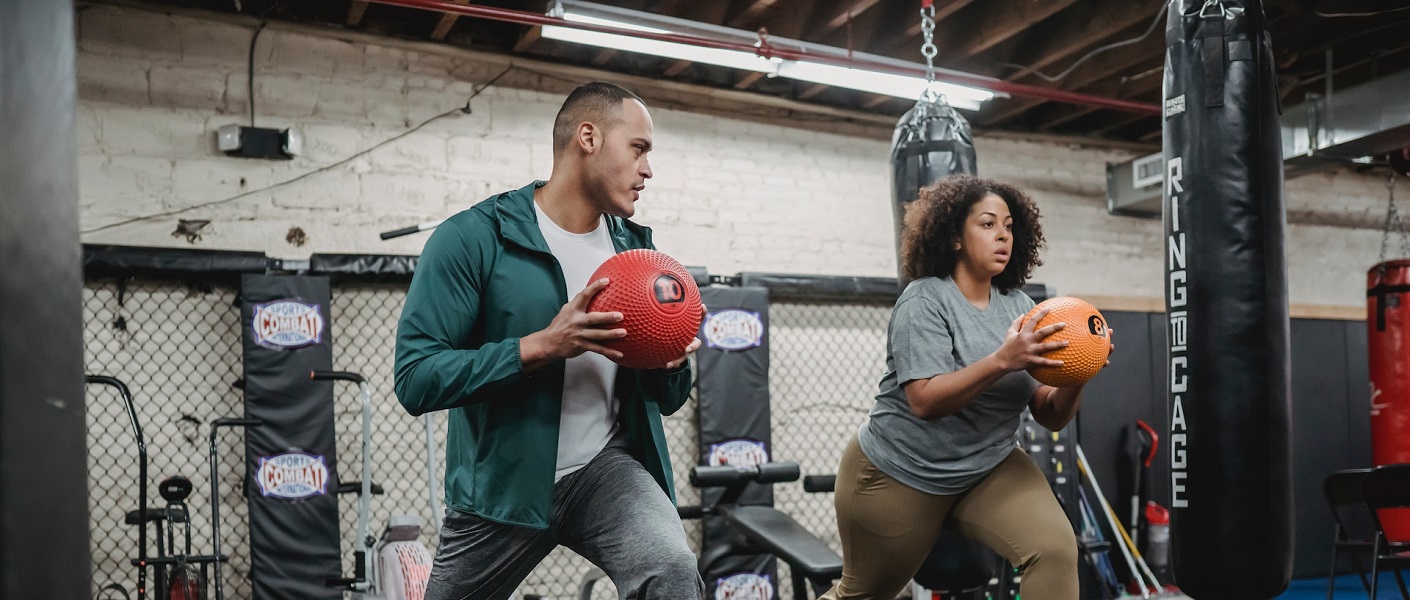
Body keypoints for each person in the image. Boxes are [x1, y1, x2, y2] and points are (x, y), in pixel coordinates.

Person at [394, 81, 704, 600]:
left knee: (669, 568)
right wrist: (539, 347)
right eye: (639, 148)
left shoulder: (638, 255)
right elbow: (415, 378)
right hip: (500, 486)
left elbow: (668, 402)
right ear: (587, 137)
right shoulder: (474, 238)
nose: (648, 169)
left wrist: (671, 366)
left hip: (604, 472)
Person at [820, 175, 1110, 600]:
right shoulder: (925, 300)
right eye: (988, 224)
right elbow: (924, 401)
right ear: (954, 237)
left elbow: (1049, 414)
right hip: (899, 472)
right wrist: (1001, 360)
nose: (1002, 236)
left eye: (1009, 227)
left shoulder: (1022, 308)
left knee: (1053, 550)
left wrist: (1080, 371)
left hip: (988, 466)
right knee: (863, 595)